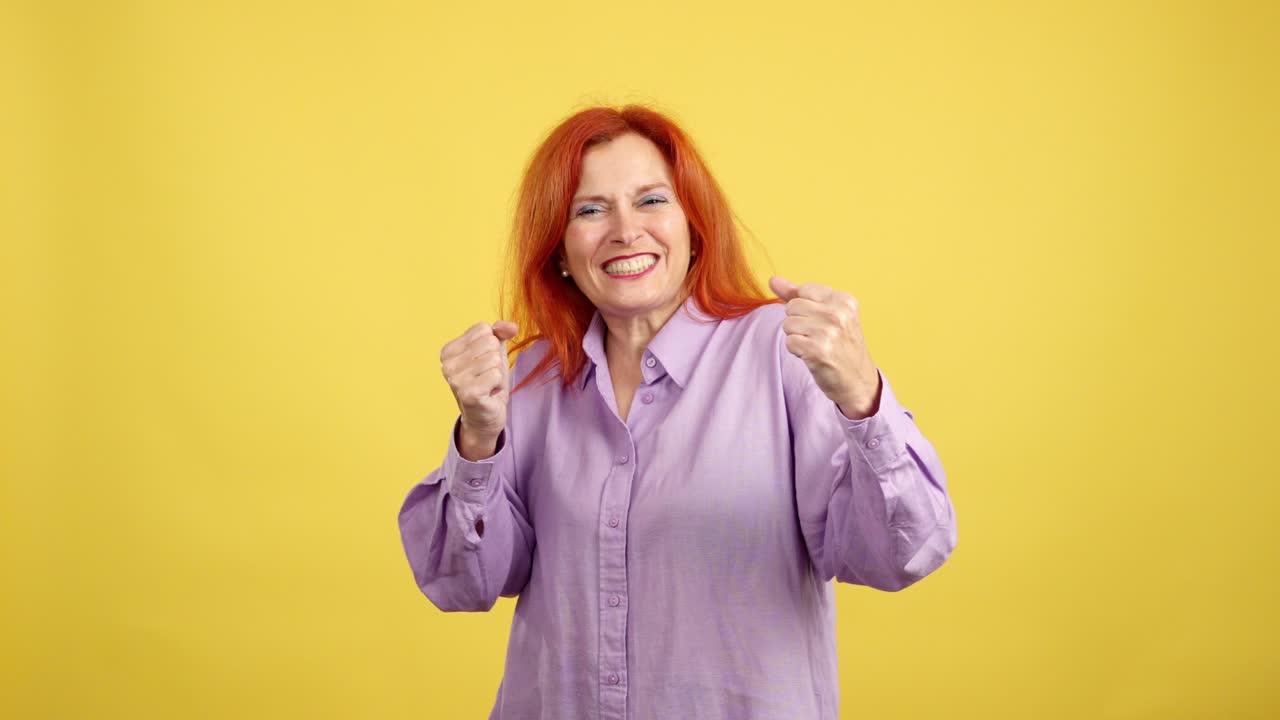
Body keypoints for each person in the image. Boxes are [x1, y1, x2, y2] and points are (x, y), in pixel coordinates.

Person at [397, 104, 958, 720]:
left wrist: (861, 397)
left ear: (693, 225)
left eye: (651, 201)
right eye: (590, 210)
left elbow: (902, 554)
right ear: (558, 249)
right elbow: (463, 585)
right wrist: (477, 438)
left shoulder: (783, 352)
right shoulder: (529, 380)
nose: (624, 231)